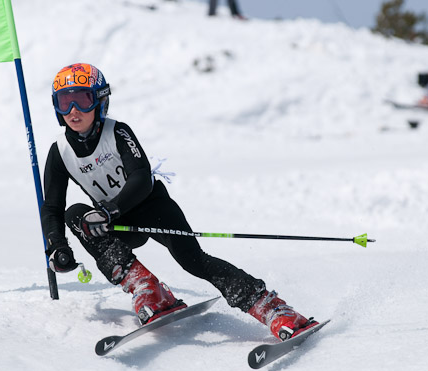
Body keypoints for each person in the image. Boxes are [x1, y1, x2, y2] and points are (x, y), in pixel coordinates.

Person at [40, 63, 317, 341]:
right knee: (75, 214)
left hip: (152, 209)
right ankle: (147, 289)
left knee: (194, 262)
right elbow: (52, 206)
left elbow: (140, 178)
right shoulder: (60, 152)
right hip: (119, 225)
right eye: (65, 102)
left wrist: (109, 210)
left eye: (82, 99)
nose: (73, 110)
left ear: (100, 101)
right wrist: (57, 246)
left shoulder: (118, 132)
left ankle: (274, 309)